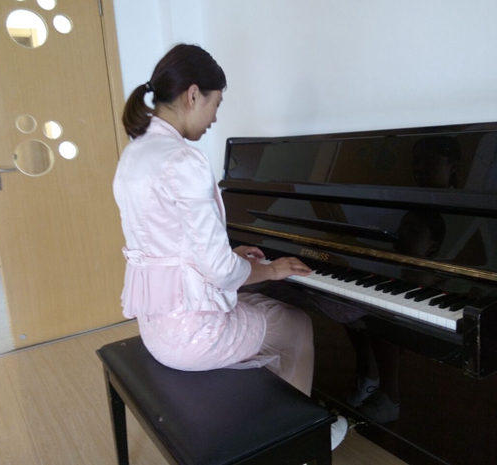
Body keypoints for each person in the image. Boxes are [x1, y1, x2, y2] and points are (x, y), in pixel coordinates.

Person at [113, 44, 347, 448]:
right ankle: (298, 442)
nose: (215, 117)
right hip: (191, 335)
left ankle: (265, 419)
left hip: (156, 326)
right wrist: (271, 269)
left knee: (260, 306)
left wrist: (233, 256)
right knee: (296, 325)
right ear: (193, 95)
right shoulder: (183, 160)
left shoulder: (135, 154)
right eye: (215, 103)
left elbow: (172, 246)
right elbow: (220, 273)